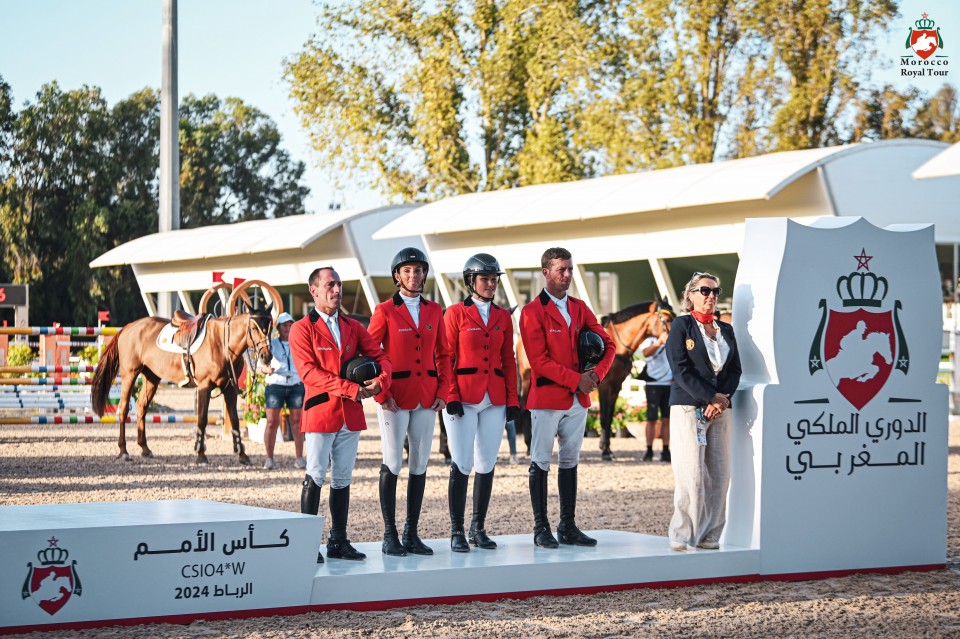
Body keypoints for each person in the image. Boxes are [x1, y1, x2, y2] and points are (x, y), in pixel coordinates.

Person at [289, 266, 391, 563]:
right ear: (315, 290)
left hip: (351, 413)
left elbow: (381, 356)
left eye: (339, 285)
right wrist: (349, 388)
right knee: (316, 474)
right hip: (321, 411)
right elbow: (309, 373)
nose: (337, 290)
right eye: (330, 285)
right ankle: (307, 545)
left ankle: (338, 541)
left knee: (343, 478)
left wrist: (381, 381)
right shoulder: (301, 328)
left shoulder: (353, 326)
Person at [519, 247, 615, 548]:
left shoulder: (579, 307)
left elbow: (609, 345)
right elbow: (539, 361)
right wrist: (578, 381)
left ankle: (568, 526)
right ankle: (540, 527)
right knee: (541, 462)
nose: (568, 275)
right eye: (562, 269)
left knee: (571, 461)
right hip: (547, 399)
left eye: (571, 269)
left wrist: (596, 376)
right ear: (545, 273)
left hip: (578, 400)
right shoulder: (531, 312)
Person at [368, 248, 452, 557]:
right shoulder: (385, 310)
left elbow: (444, 354)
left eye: (418, 271)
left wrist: (444, 390)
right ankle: (389, 534)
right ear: (397, 276)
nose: (413, 276)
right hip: (394, 397)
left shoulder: (434, 310)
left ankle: (411, 533)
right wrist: (380, 393)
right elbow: (370, 352)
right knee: (393, 461)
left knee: (419, 463)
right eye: (407, 271)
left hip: (427, 397)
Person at [443, 253, 519, 552]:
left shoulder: (502, 316)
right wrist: (450, 394)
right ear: (471, 281)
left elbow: (508, 361)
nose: (491, 283)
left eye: (494, 278)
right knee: (462, 462)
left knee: (486, 464)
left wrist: (513, 399)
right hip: (463, 397)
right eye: (486, 279)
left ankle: (478, 528)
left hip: (495, 398)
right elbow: (446, 357)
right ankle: (456, 530)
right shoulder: (455, 314)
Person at [664, 272, 741, 552]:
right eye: (704, 290)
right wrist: (709, 396)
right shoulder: (681, 325)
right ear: (690, 295)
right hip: (689, 407)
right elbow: (680, 368)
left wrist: (720, 400)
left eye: (715, 291)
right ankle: (683, 533)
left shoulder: (727, 330)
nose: (711, 296)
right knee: (692, 474)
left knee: (720, 475)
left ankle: (710, 535)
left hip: (720, 409)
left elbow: (735, 370)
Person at [258, 312, 306, 470]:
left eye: (290, 324)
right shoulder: (270, 344)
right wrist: (265, 369)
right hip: (275, 384)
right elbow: (258, 367)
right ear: (278, 327)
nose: (287, 327)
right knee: (272, 421)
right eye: (284, 325)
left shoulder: (300, 343)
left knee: (297, 422)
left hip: (295, 384)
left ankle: (299, 458)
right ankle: (269, 458)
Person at [638, 313, 674, 463]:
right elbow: (645, 353)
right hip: (653, 384)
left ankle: (666, 450)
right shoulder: (650, 339)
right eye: (664, 322)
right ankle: (649, 450)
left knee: (667, 419)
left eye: (669, 321)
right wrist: (659, 342)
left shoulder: (675, 338)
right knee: (651, 419)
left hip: (669, 384)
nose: (666, 325)